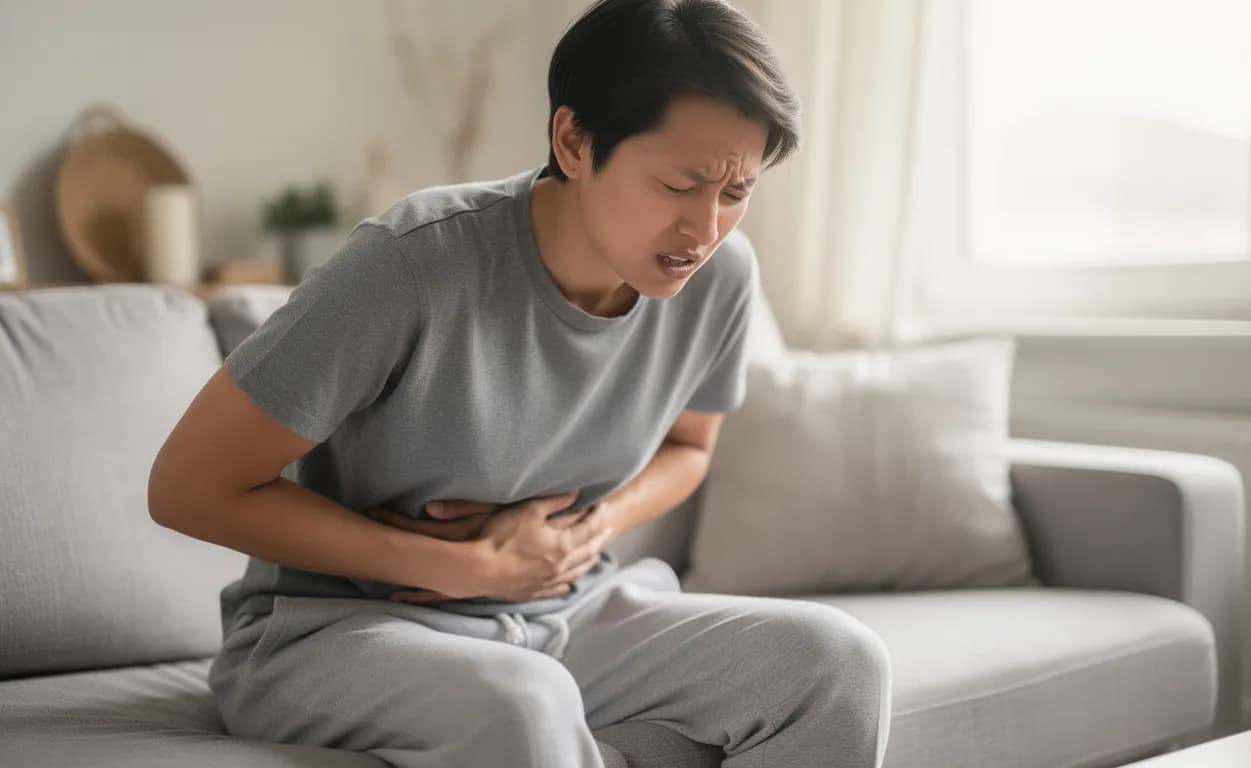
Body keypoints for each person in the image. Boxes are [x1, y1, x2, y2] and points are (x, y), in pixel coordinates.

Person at [148, 0, 892, 765]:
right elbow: (186, 487)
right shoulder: (412, 264)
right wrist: (459, 566)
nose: (704, 231)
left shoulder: (722, 278)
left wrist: (589, 529)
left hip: (565, 606)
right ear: (573, 141)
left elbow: (690, 447)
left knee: (835, 661)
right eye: (679, 185)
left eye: (736, 193)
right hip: (339, 631)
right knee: (527, 702)